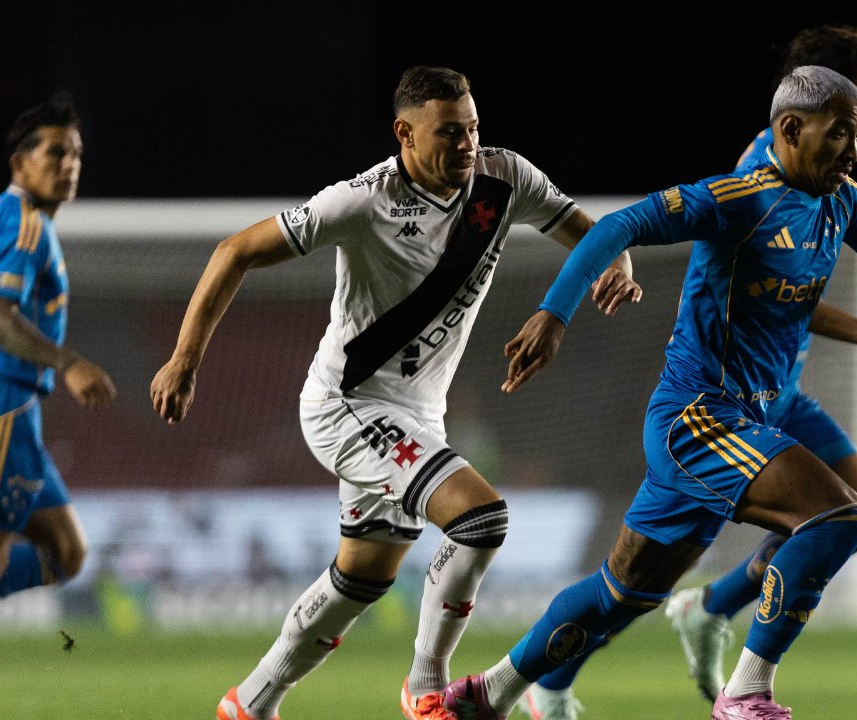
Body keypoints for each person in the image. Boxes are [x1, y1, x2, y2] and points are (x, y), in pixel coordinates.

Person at [423, 65, 857, 720]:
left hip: (744, 418)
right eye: (841, 133)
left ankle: (485, 693)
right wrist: (554, 314)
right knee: (839, 515)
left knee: (622, 594)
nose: (853, 150)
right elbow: (621, 227)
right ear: (790, 128)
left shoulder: (841, 199)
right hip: (696, 417)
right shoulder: (742, 197)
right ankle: (746, 693)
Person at [148, 66, 641, 720]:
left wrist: (613, 266)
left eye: (471, 128)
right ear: (404, 135)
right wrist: (184, 359)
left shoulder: (503, 178)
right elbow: (236, 249)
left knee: (360, 579)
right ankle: (426, 689)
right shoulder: (361, 201)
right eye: (448, 133)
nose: (466, 145)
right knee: (481, 520)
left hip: (417, 417)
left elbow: (596, 233)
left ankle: (251, 702)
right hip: (345, 406)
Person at [515, 24, 857, 719]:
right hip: (722, 395)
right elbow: (756, 280)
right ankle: (554, 676)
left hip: (781, 390)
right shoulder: (762, 171)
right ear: (828, 86)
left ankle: (713, 608)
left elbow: (795, 291)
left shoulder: (828, 175)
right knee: (638, 576)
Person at [0, 94, 118, 600]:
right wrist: (68, 362)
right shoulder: (21, 219)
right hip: (4, 405)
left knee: (68, 552)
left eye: (76, 154)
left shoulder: (29, 221)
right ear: (20, 164)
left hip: (22, 410)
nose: (69, 165)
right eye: (55, 153)